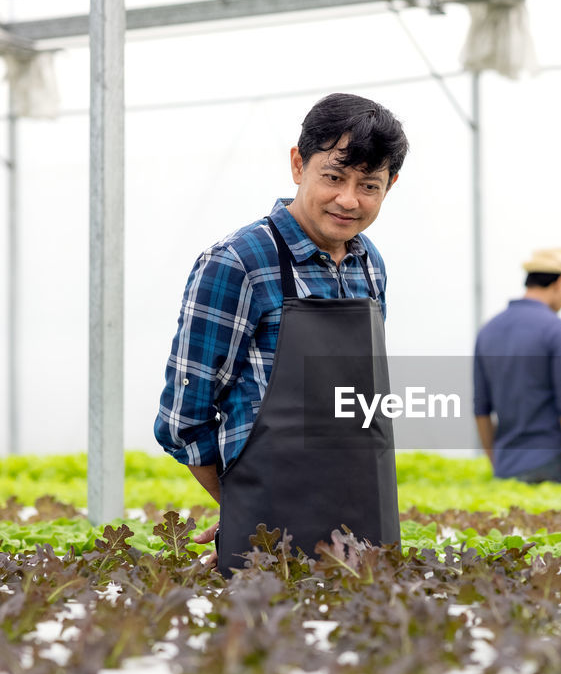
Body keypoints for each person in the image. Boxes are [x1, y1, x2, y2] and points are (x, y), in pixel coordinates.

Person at [154, 93, 408, 575]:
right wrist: (242, 508)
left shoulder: (368, 264)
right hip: (270, 532)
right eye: (333, 177)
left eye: (369, 185)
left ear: (390, 185)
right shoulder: (239, 263)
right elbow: (181, 420)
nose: (348, 199)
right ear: (298, 164)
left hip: (366, 522)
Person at [473, 248, 561, 485]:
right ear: (560, 282)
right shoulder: (558, 331)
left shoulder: (488, 331)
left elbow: (481, 410)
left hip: (507, 468)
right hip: (553, 467)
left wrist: (499, 465)